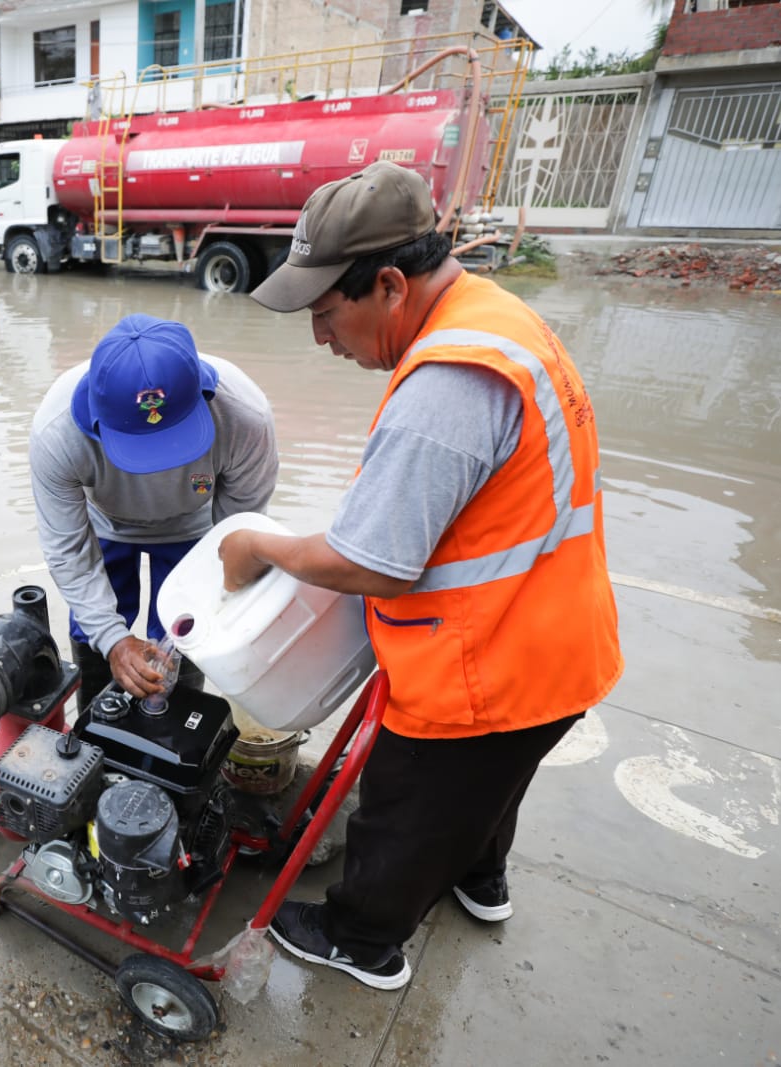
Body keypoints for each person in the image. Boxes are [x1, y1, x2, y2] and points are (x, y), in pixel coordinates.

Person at [224, 162, 623, 990]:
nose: (321, 339)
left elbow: (373, 562)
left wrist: (265, 545)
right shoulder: (496, 319)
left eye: (328, 313)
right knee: (488, 793)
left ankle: (361, 938)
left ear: (392, 285)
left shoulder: (444, 386)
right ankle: (480, 882)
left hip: (483, 665)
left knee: (404, 807)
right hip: (555, 638)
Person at [32, 313, 278, 706]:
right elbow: (68, 551)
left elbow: (237, 534)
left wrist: (206, 611)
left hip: (197, 527)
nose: (160, 468)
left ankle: (174, 740)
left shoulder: (245, 416)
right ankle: (97, 727)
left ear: (203, 397)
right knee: (93, 628)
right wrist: (114, 640)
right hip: (107, 520)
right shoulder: (57, 433)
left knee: (190, 632)